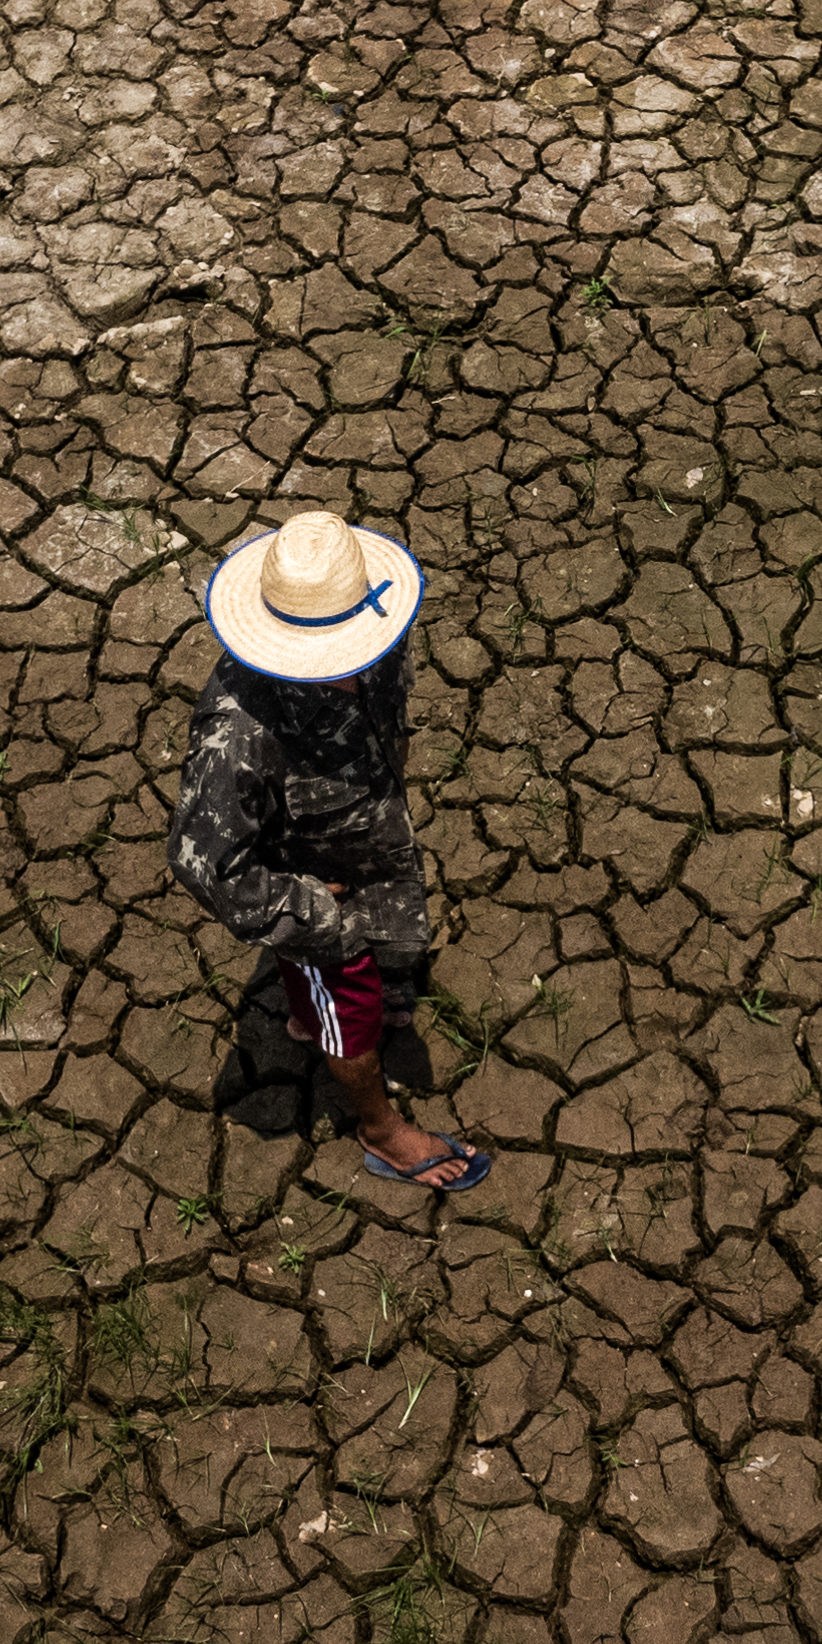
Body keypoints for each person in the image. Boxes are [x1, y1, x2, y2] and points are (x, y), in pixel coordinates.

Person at [167, 511, 490, 1193]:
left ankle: (309, 1011)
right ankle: (383, 1135)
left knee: (368, 981)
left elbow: (391, 719)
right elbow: (206, 864)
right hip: (314, 904)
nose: (361, 658)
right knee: (353, 1012)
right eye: (337, 651)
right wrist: (309, 908)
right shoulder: (238, 731)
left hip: (370, 854)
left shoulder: (381, 634)